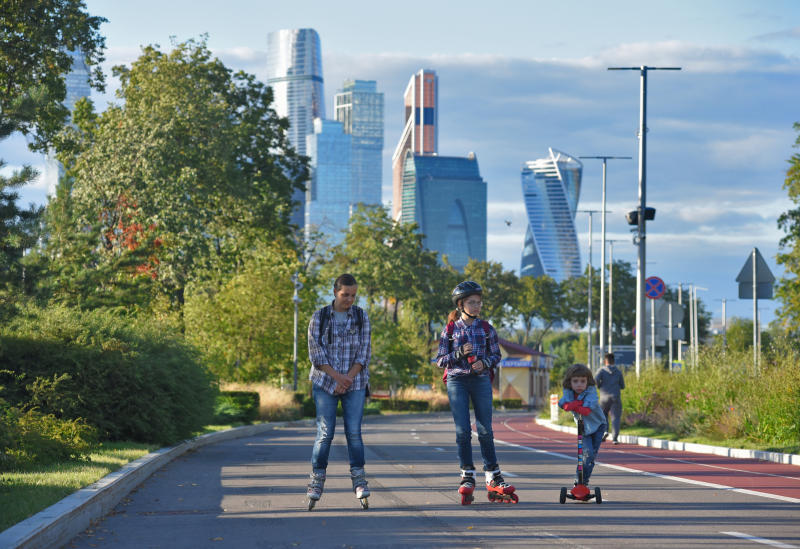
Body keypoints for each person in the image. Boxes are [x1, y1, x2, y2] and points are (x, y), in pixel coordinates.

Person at [435, 281, 517, 505]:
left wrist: (485, 363)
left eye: (479, 302)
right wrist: (459, 352)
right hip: (457, 380)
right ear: (461, 304)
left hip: (480, 380)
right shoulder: (450, 330)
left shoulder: (487, 328)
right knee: (463, 431)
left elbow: (497, 356)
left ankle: (493, 475)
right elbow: (440, 360)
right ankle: (467, 476)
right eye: (472, 302)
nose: (477, 306)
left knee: (485, 430)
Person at [305, 273, 372, 510]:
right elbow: (316, 353)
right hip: (325, 382)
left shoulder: (362, 317)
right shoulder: (320, 317)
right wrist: (336, 377)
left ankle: (359, 479)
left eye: (353, 295)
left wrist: (347, 379)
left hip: (355, 382)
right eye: (345, 295)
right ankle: (317, 478)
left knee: (354, 432)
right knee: (325, 432)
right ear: (335, 292)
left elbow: (364, 353)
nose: (350, 299)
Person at [558, 363, 607, 487]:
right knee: (586, 454)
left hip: (598, 426)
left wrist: (572, 405)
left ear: (587, 382)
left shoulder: (591, 393)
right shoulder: (569, 392)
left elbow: (586, 410)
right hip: (583, 427)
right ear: (570, 382)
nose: (579, 384)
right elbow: (562, 404)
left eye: (582, 381)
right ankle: (578, 481)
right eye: (575, 381)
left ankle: (584, 481)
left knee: (590, 457)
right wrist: (575, 403)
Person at [596, 352, 625, 444]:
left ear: (605, 361)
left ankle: (605, 431)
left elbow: (595, 380)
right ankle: (615, 438)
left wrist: (600, 385)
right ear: (613, 361)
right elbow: (622, 386)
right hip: (615, 397)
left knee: (603, 415)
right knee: (615, 417)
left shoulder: (601, 371)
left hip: (604, 397)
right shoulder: (618, 371)